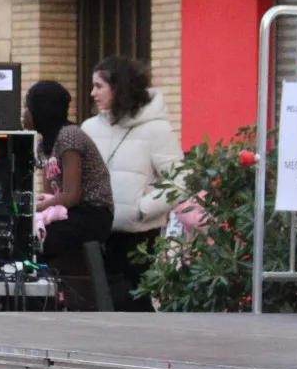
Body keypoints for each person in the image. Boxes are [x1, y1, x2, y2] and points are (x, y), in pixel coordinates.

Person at [80, 55, 182, 310]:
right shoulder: (90, 128)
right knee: (97, 303)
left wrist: (143, 208)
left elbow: (181, 180)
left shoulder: (157, 130)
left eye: (99, 86)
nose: (92, 93)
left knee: (133, 305)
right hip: (96, 232)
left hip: (137, 237)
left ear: (119, 88)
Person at [23, 80, 114, 260]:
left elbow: (71, 196)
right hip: (70, 212)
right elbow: (52, 195)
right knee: (27, 233)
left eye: (27, 106)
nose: (24, 113)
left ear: (42, 110)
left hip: (92, 214)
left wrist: (33, 208)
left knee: (39, 241)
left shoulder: (69, 135)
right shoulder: (44, 145)